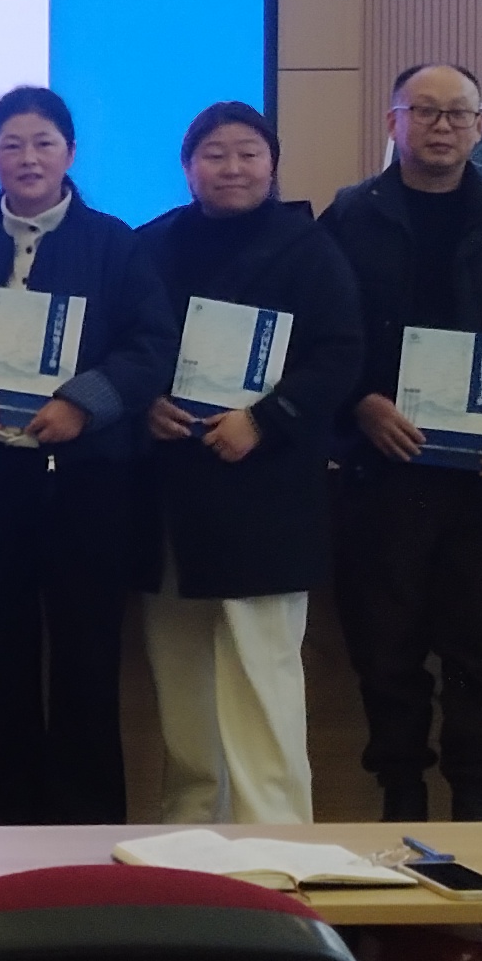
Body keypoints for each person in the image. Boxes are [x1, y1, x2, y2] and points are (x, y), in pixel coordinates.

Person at [0, 86, 176, 825]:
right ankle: (5, 832)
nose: (27, 158)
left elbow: (151, 345)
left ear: (70, 153)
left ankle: (86, 834)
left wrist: (84, 404)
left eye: (42, 143)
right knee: (1, 663)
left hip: (89, 489)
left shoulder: (115, 244)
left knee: (87, 667)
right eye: (11, 145)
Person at [316, 64, 482, 822]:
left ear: (481, 127)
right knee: (386, 649)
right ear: (393, 122)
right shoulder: (349, 216)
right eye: (424, 111)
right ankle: (401, 793)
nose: (442, 125)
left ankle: (478, 798)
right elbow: (322, 333)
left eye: (458, 113)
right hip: (383, 471)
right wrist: (360, 404)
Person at [132, 103, 360, 826]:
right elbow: (124, 345)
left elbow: (340, 354)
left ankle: (277, 835)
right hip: (170, 494)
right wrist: (144, 404)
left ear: (273, 164)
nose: (232, 168)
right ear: (187, 167)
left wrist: (264, 420)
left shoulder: (310, 248)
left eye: (248, 154)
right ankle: (191, 826)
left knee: (262, 676)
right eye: (214, 154)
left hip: (266, 494)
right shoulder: (150, 245)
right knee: (181, 683)